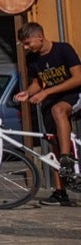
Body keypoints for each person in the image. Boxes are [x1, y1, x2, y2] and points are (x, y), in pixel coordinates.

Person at [13, 21, 81, 205]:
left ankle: (67, 158)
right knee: (54, 142)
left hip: (73, 95)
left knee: (58, 110)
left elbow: (78, 78)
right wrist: (28, 92)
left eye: (28, 43)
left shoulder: (63, 50)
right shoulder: (33, 59)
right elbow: (39, 83)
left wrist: (47, 92)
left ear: (39, 37)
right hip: (51, 101)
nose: (26, 47)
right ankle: (61, 192)